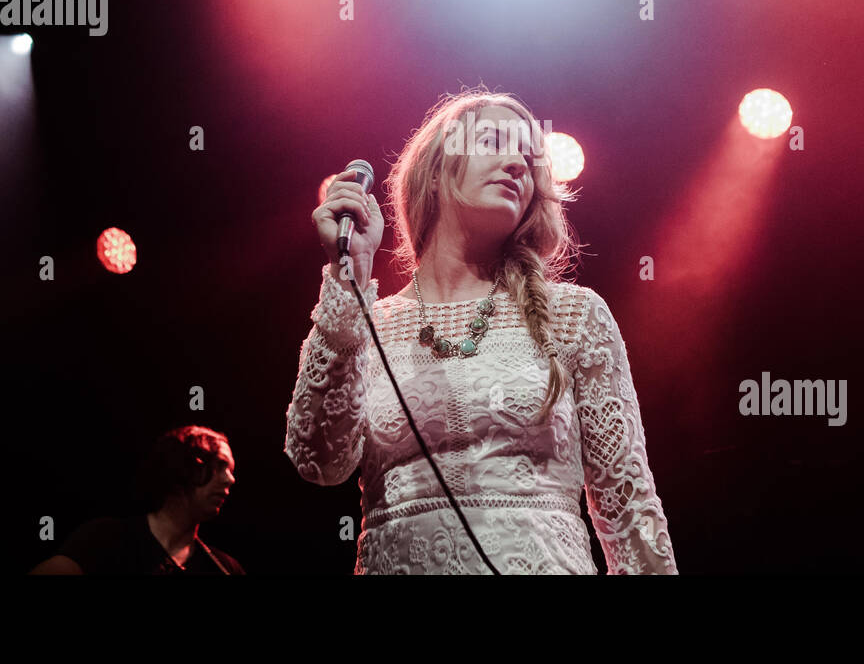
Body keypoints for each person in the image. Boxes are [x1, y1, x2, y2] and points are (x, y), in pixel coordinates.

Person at [286, 87, 677, 574]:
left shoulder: (574, 315)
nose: (517, 164)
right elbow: (319, 461)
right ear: (434, 171)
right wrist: (350, 281)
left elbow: (629, 511)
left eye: (529, 159)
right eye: (493, 141)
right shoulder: (368, 323)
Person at [30, 425, 244, 574]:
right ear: (185, 468)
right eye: (221, 466)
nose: (230, 479)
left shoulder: (226, 569)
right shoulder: (106, 539)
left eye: (232, 470)